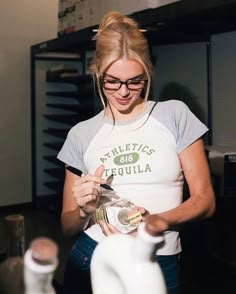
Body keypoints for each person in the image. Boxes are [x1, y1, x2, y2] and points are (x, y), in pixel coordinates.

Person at [57, 11, 215, 294]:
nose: (124, 91)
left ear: (148, 72)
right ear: (97, 72)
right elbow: (68, 226)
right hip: (92, 256)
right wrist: (84, 209)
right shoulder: (81, 133)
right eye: (112, 81)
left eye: (135, 81)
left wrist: (158, 221)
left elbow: (205, 200)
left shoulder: (174, 115)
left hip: (156, 259)